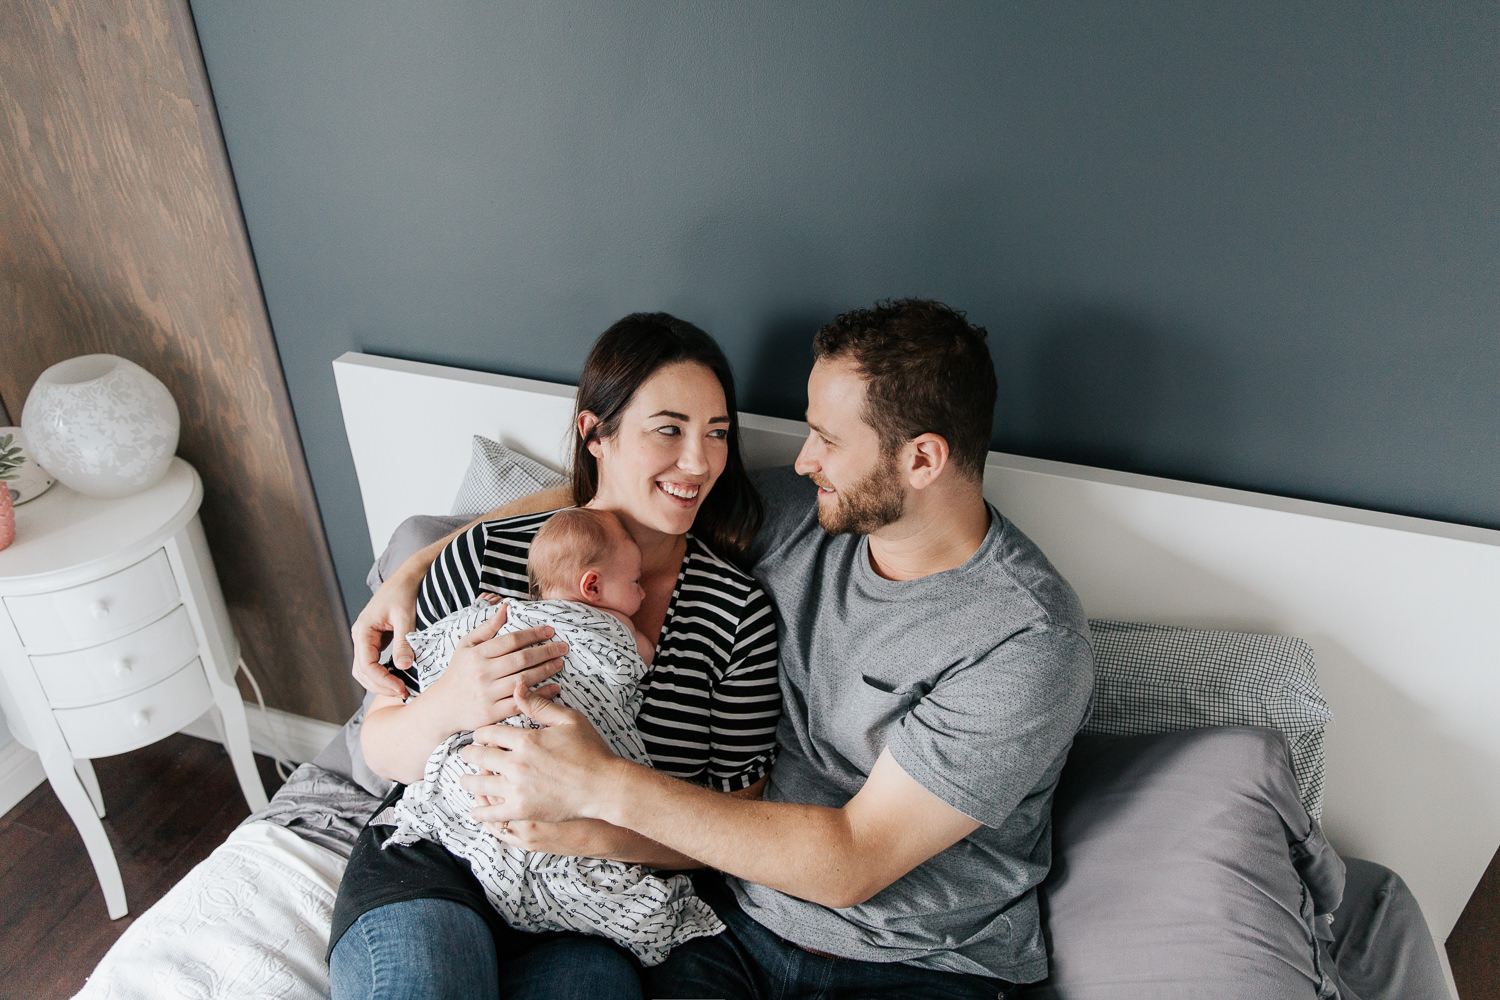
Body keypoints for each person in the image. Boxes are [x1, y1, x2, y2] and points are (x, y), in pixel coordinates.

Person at [455, 299, 1096, 999]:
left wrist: (598, 786)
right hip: (736, 923)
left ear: (921, 459)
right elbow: (616, 497)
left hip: (922, 964)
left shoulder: (1028, 641)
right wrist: (423, 560)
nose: (801, 460)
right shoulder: (808, 515)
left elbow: (854, 862)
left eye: (826, 438)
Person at [330, 314, 781, 1000]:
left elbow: (738, 823)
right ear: (594, 434)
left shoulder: (734, 613)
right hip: (440, 861)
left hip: (591, 908)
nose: (700, 462)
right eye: (670, 429)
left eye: (717, 433)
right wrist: (449, 704)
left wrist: (597, 831)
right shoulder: (486, 556)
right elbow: (384, 751)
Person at [377, 507, 724, 967]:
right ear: (593, 587)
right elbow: (638, 658)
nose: (642, 591)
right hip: (439, 861)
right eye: (635, 581)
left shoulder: (506, 611)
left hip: (477, 797)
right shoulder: (617, 628)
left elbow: (429, 649)